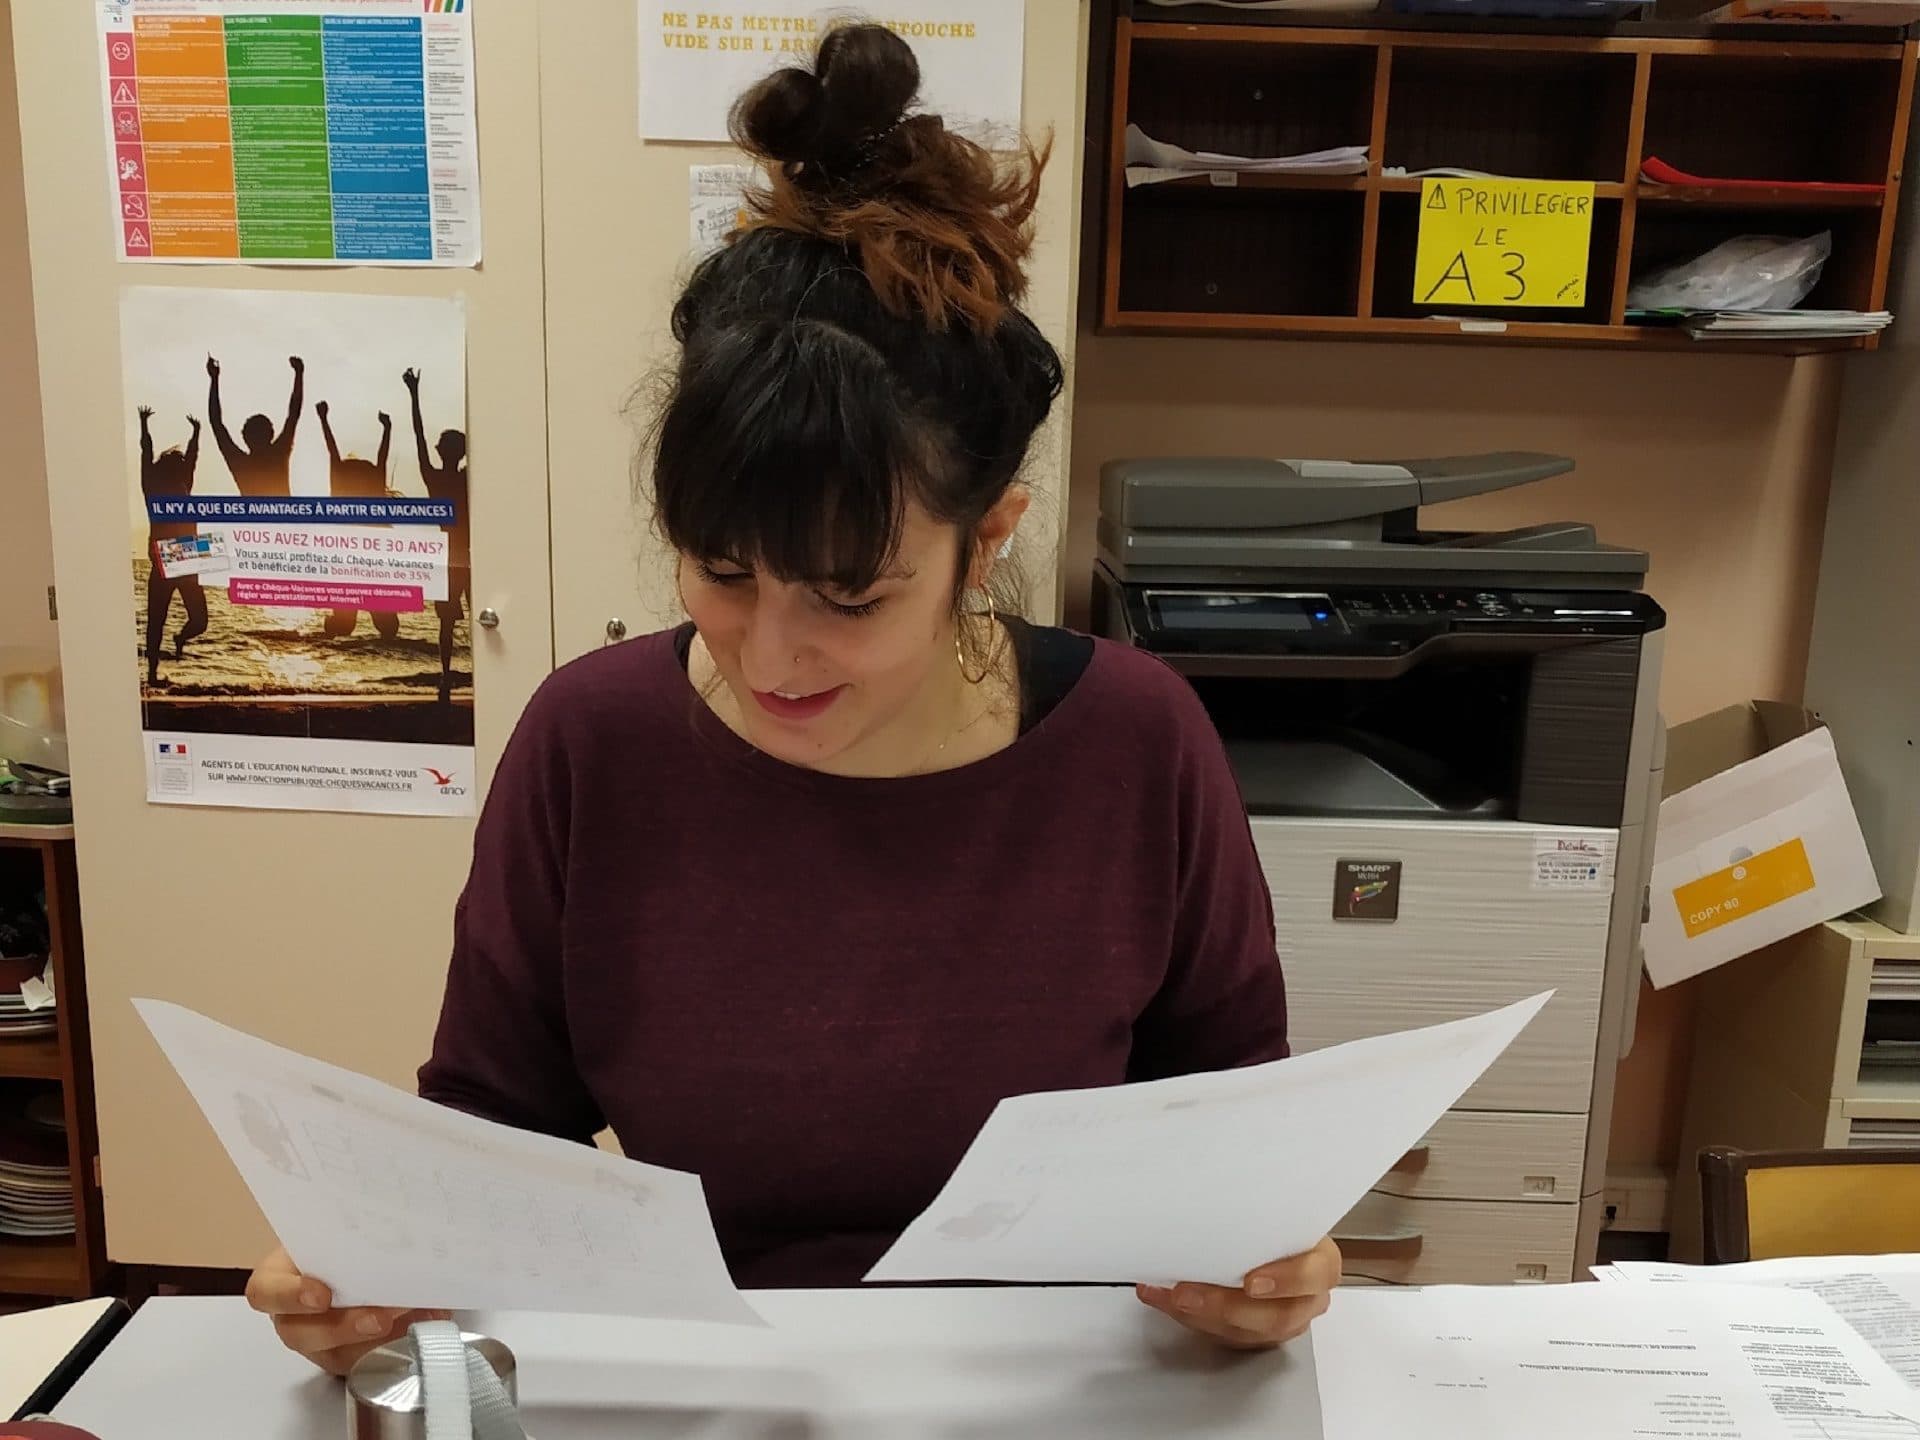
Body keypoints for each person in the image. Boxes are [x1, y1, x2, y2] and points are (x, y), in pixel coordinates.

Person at [245, 24, 1337, 1378]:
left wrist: (1276, 1261)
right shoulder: (593, 744)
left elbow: (1234, 1131)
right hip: (711, 1382)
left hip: (1062, 1386)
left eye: (849, 595)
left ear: (983, 543)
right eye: (721, 572)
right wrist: (377, 1262)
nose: (770, 655)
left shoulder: (1135, 745)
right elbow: (492, 1128)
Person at [402, 367, 469, 703]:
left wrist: (414, 394)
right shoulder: (464, 478)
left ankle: (446, 677)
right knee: (459, 622)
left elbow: (418, 435)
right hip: (462, 556)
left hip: (452, 558)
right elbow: (418, 434)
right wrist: (414, 395)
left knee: (448, 624)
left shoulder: (438, 477)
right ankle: (447, 676)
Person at [315, 401, 401, 642]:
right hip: (364, 562)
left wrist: (323, 419)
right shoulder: (366, 491)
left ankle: (330, 634)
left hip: (354, 561)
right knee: (383, 627)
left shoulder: (343, 489)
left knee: (349, 626)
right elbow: (380, 459)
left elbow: (333, 453)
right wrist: (387, 429)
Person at [138, 406, 207, 687]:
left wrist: (196, 433)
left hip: (190, 555)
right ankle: (152, 674)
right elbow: (145, 454)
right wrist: (143, 426)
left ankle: (180, 639)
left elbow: (192, 460)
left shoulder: (185, 487)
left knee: (200, 621)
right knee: (156, 620)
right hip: (164, 557)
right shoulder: (152, 488)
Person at [207, 354, 304, 497]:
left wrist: (214, 379)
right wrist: (299, 374)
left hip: (254, 519)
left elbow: (216, 423)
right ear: (270, 434)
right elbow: (293, 414)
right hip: (282, 519)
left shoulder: (240, 463)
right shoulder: (278, 454)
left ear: (245, 437)